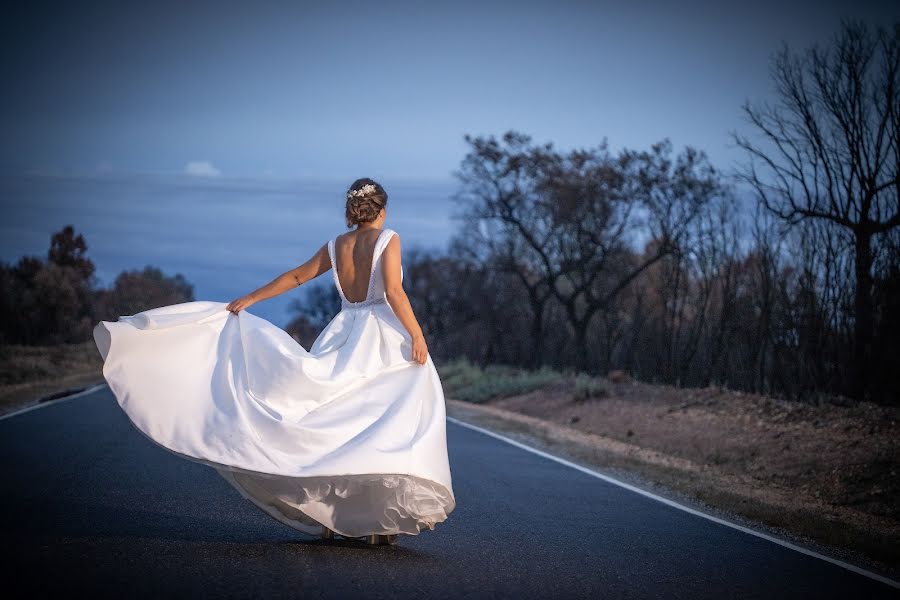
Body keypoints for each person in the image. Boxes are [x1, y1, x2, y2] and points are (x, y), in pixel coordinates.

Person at [93, 177, 456, 546]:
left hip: (344, 332)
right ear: (381, 209)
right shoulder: (388, 238)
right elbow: (393, 291)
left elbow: (298, 276)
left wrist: (251, 298)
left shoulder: (336, 246)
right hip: (380, 334)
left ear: (353, 210)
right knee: (387, 418)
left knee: (333, 421)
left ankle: (333, 517)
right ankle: (378, 523)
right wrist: (416, 334)